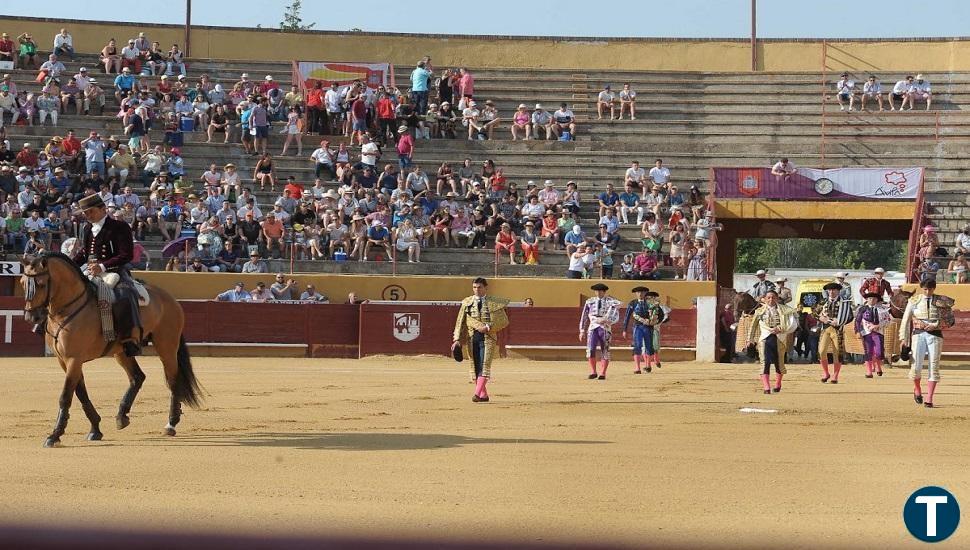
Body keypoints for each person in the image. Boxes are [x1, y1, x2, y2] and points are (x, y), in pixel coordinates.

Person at [70, 194, 142, 356]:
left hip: (115, 271)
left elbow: (126, 255)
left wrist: (102, 266)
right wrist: (70, 265)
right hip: (91, 270)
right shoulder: (87, 228)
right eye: (85, 213)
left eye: (91, 212)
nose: (88, 216)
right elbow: (85, 252)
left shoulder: (119, 227)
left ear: (103, 209)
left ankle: (129, 339)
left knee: (124, 295)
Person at [452, 277, 510, 403]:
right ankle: (484, 395)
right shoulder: (466, 302)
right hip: (472, 338)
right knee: (475, 366)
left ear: (485, 288)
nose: (476, 290)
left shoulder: (494, 302)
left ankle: (477, 394)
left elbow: (504, 321)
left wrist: (489, 327)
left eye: (479, 287)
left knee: (485, 366)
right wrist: (456, 339)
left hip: (488, 338)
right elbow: (460, 322)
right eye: (474, 287)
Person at [900, 279, 953, 407]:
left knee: (934, 366)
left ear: (934, 288)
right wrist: (903, 338)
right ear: (922, 288)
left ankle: (929, 397)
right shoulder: (914, 300)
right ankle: (917, 389)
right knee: (916, 366)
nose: (927, 291)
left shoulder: (942, 300)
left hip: (935, 335)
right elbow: (905, 320)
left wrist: (935, 325)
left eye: (930, 289)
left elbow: (950, 320)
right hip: (918, 334)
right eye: (925, 289)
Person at [747, 289, 798, 394]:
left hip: (779, 338)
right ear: (765, 299)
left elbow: (792, 323)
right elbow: (753, 326)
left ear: (777, 299)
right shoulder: (759, 311)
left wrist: (782, 328)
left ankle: (778, 383)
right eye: (768, 297)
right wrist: (749, 339)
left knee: (779, 363)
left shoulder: (785, 310)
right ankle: (766, 387)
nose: (771, 299)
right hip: (765, 339)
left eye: (773, 297)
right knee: (764, 362)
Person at [814, 282, 854, 384]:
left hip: (838, 330)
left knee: (838, 352)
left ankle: (835, 376)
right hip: (826, 329)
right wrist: (820, 318)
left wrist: (840, 321)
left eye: (834, 290)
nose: (831, 292)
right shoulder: (824, 301)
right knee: (821, 351)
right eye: (830, 290)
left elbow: (850, 317)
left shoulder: (843, 303)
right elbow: (814, 312)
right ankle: (826, 373)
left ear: (838, 291)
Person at [579, 283, 621, 380]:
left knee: (605, 350)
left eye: (600, 291)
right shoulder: (590, 301)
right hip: (593, 326)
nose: (598, 292)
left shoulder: (610, 301)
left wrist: (607, 318)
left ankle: (603, 373)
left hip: (605, 327)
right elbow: (584, 316)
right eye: (596, 291)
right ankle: (593, 371)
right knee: (590, 349)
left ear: (604, 292)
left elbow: (620, 304)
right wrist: (582, 330)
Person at [622, 286, 665, 374]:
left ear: (645, 293)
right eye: (638, 292)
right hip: (637, 327)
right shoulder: (633, 303)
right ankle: (637, 368)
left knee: (649, 346)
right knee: (637, 346)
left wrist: (656, 322)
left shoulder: (651, 303)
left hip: (649, 327)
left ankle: (648, 365)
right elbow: (627, 316)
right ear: (636, 293)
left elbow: (661, 314)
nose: (640, 294)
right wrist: (624, 329)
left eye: (642, 292)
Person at [856, 292, 891, 378]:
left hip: (878, 332)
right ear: (867, 299)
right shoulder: (862, 309)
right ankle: (869, 371)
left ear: (877, 300)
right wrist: (858, 331)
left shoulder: (882, 309)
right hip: (866, 332)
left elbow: (888, 321)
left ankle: (878, 366)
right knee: (868, 351)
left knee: (879, 352)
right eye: (870, 298)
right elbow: (857, 321)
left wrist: (878, 325)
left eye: (874, 299)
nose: (872, 300)